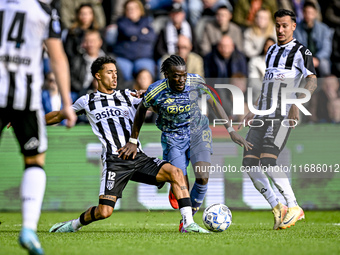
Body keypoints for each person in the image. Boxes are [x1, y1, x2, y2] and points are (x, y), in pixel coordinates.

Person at [47, 56, 210, 234]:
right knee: (105, 211)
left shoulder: (128, 95)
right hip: (115, 162)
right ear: (98, 76)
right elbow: (58, 116)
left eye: (116, 73)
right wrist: (29, 121)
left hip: (137, 157)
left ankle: (188, 223)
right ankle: (73, 225)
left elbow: (153, 103)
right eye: (110, 73)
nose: (115, 77)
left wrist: (148, 95)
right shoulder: (87, 101)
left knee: (176, 173)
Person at [118, 55, 252, 231]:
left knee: (203, 176)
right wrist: (133, 140)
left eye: (184, 75)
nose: (181, 80)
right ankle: (179, 196)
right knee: (181, 182)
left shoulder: (196, 82)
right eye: (176, 76)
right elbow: (141, 110)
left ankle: (188, 221)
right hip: (173, 137)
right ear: (166, 74)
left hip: (198, 132)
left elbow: (213, 102)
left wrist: (231, 130)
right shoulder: (155, 90)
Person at [0, 1, 76, 254]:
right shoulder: (43, 10)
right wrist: (66, 102)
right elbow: (57, 56)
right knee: (34, 160)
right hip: (25, 98)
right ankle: (29, 229)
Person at [238, 9, 317, 230]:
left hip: (283, 113)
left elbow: (312, 80)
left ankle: (294, 206)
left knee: (268, 160)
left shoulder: (302, 52)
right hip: (263, 113)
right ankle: (277, 207)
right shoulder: (271, 50)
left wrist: (297, 104)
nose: (280, 30)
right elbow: (267, 84)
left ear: (293, 26)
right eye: (277, 25)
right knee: (249, 164)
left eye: (284, 25)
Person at [114, 0, 156, 81]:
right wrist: (142, 32)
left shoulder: (147, 21)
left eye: (134, 8)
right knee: (123, 75)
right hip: (124, 57)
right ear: (125, 11)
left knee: (145, 76)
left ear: (140, 10)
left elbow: (151, 37)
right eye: (129, 9)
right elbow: (128, 32)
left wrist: (134, 36)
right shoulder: (121, 22)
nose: (131, 11)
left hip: (143, 57)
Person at [293, 1, 333, 77]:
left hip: (319, 59)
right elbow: (295, 48)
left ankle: (326, 87)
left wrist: (317, 58)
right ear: (303, 13)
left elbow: (326, 49)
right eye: (306, 12)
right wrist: (307, 60)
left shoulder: (324, 29)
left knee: (324, 65)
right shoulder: (296, 29)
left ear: (315, 14)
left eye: (311, 13)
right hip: (303, 59)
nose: (308, 15)